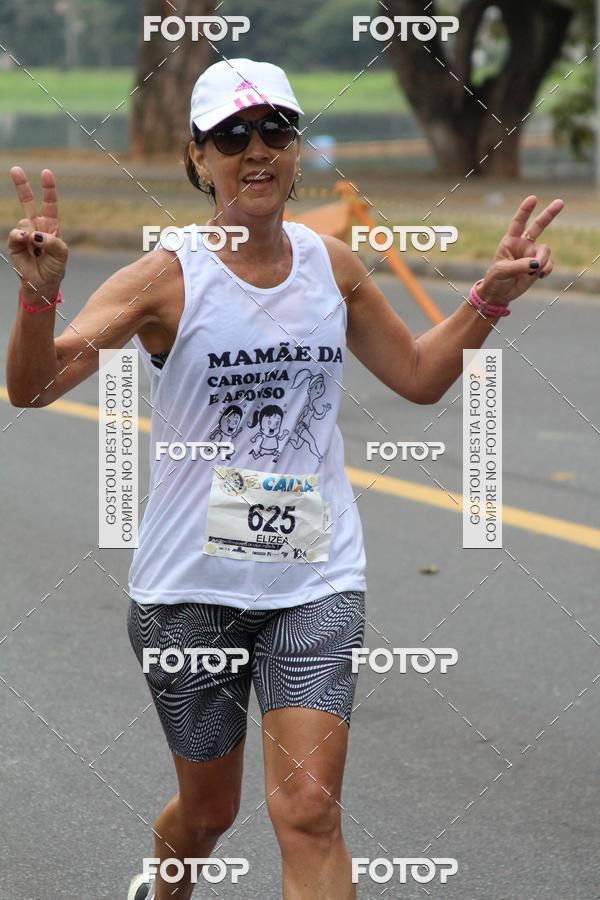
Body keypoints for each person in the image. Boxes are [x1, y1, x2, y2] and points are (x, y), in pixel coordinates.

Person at [6, 57, 563, 900]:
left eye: (276, 129)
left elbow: (418, 375)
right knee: (209, 814)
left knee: (309, 811)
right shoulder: (164, 278)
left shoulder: (330, 265)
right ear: (198, 158)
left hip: (314, 580)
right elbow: (33, 387)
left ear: (298, 149)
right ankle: (166, 885)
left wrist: (487, 298)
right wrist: (38, 300)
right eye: (232, 135)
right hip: (188, 589)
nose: (257, 149)